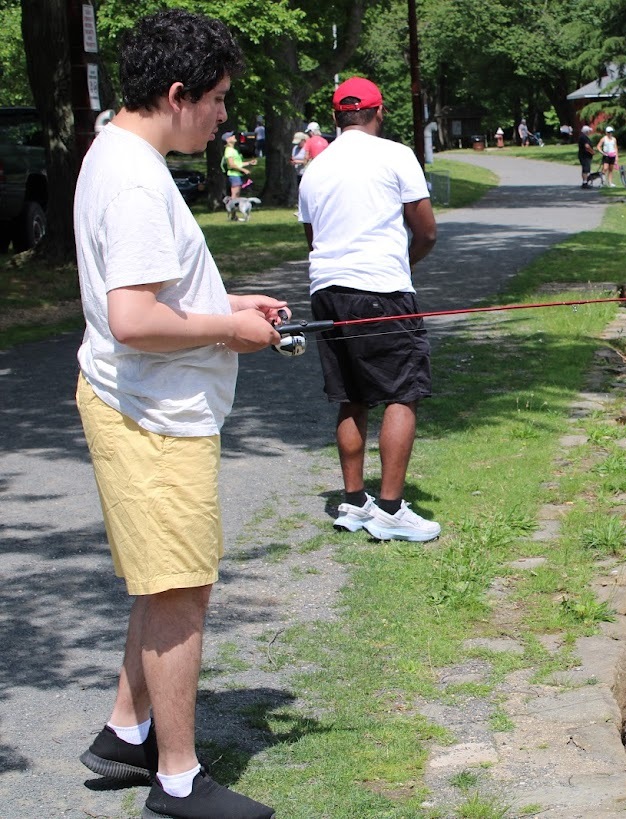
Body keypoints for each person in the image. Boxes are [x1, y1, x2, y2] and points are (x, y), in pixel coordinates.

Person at [73, 9, 285, 819]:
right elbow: (132, 319)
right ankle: (177, 778)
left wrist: (225, 302)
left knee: (164, 578)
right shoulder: (132, 179)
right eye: (220, 99)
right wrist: (229, 329)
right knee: (180, 587)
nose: (225, 114)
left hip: (145, 406)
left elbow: (153, 293)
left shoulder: (117, 153)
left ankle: (125, 731)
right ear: (177, 93)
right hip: (153, 418)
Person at [297, 76, 442, 543]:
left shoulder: (315, 168)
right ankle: (391, 510)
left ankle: (354, 500)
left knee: (351, 395)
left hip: (328, 290)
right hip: (382, 289)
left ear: (338, 117)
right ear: (378, 113)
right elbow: (426, 233)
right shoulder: (396, 155)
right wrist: (399, 266)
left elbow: (313, 240)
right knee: (402, 392)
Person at [220, 130, 255, 199]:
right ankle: (231, 208)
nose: (233, 136)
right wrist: (244, 170)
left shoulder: (234, 150)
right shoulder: (229, 151)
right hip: (233, 175)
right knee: (235, 194)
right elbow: (231, 165)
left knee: (237, 194)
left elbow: (238, 164)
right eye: (231, 136)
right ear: (227, 140)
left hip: (237, 175)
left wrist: (249, 163)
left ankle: (235, 208)